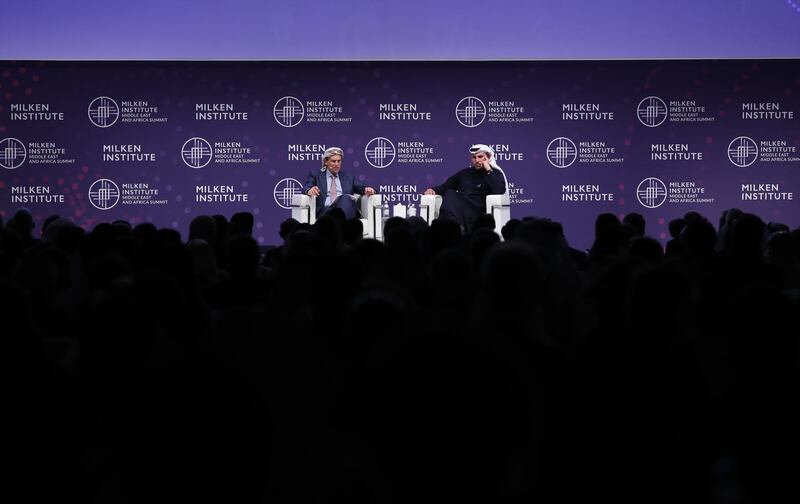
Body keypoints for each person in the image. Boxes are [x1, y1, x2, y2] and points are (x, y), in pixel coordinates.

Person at [424, 144, 507, 232]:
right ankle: (451, 227)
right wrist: (433, 190)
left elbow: (499, 190)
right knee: (450, 193)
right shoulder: (465, 173)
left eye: (480, 157)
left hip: (478, 211)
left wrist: (488, 170)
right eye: (474, 157)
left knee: (451, 197)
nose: (477, 160)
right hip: (460, 209)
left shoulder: (495, 173)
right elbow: (445, 186)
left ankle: (447, 228)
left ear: (488, 157)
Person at [303, 147, 375, 219]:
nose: (337, 164)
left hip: (345, 209)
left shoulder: (348, 177)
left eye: (339, 161)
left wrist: (369, 190)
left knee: (346, 198)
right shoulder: (316, 175)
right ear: (326, 161)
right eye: (333, 161)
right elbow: (306, 187)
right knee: (340, 207)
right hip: (325, 210)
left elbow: (361, 188)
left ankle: (338, 224)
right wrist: (309, 190)